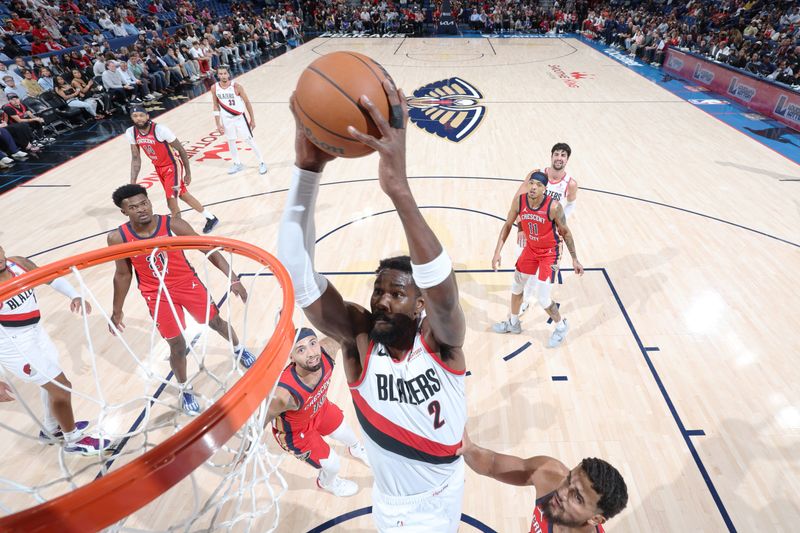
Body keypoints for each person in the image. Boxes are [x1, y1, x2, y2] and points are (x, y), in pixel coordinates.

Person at [277, 79, 467, 532]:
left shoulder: (442, 344)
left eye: (397, 293)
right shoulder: (359, 340)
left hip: (446, 491)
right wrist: (306, 171)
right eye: (378, 291)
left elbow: (445, 293)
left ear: (419, 304)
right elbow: (298, 278)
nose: (382, 300)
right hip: (395, 508)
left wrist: (399, 190)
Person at [108, 183, 255, 416]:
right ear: (124, 212)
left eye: (144, 203)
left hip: (187, 284)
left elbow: (208, 249)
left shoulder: (173, 224)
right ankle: (184, 388)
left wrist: (233, 278)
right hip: (155, 294)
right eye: (133, 207)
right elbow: (123, 274)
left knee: (216, 322)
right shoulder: (118, 238)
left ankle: (239, 349)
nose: (141, 209)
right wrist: (117, 311)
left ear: (150, 201)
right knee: (177, 345)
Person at [0, 246, 111, 455]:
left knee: (50, 382)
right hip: (13, 344)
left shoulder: (18, 262)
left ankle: (51, 429)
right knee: (61, 388)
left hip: (36, 332)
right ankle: (73, 440)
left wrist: (74, 295)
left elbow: (50, 277)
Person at [266, 327, 369, 496]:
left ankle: (357, 449)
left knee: (348, 433)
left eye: (313, 343)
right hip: (297, 433)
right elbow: (261, 419)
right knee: (333, 464)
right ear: (291, 357)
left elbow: (343, 329)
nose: (312, 353)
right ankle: (327, 482)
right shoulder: (284, 395)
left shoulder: (327, 351)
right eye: (301, 349)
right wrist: (247, 448)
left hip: (320, 409)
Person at [458, 431, 628, 532]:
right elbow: (492, 464)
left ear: (596, 520)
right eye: (568, 480)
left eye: (577, 497)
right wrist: (467, 448)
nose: (561, 493)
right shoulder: (547, 473)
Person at [491, 171, 584, 348]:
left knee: (543, 298)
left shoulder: (554, 207)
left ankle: (561, 326)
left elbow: (566, 232)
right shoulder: (520, 201)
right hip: (531, 249)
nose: (533, 187)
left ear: (545, 189)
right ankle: (513, 323)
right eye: (531, 183)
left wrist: (575, 259)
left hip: (550, 253)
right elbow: (508, 224)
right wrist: (497, 252)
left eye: (539, 185)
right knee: (517, 286)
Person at [127, 105, 219, 233]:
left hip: (172, 166)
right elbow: (136, 158)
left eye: (141, 115)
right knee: (183, 195)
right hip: (159, 167)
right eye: (135, 116)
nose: (139, 119)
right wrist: (132, 182)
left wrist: (188, 173)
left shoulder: (160, 130)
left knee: (171, 203)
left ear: (147, 116)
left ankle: (180, 235)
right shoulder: (131, 132)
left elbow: (181, 149)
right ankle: (211, 217)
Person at [513, 144, 577, 315]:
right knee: (520, 265)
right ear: (551, 156)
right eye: (556, 154)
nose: (559, 157)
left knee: (536, 269)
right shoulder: (536, 175)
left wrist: (560, 226)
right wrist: (520, 226)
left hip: (548, 234)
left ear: (567, 159)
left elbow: (571, 204)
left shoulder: (570, 184)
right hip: (529, 228)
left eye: (563, 155)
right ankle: (523, 296)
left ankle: (526, 300)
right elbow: (518, 199)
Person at [211, 66, 267, 175]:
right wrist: (218, 123)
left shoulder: (237, 87)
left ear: (228, 74)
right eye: (221, 74)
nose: (223, 76)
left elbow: (247, 102)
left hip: (240, 118)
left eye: (225, 73)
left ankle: (262, 162)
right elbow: (215, 106)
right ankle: (237, 164)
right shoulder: (214, 88)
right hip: (226, 119)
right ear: (218, 75)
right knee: (231, 141)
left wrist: (252, 119)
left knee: (249, 140)